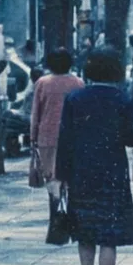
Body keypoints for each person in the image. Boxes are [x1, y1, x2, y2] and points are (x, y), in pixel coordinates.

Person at [54, 46, 133, 265]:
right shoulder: (122, 99)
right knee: (108, 236)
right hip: (112, 170)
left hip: (81, 171)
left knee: (85, 232)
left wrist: (61, 176)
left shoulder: (75, 98)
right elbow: (132, 137)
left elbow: (64, 139)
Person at [29, 48, 84, 189]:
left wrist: (33, 136)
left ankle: (54, 205)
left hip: (47, 135)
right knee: (70, 174)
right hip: (73, 135)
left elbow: (36, 113)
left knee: (51, 176)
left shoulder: (42, 83)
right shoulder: (78, 83)